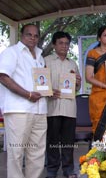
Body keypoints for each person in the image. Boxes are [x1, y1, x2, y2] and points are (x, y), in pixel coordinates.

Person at [0, 24, 47, 178]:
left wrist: (51, 91)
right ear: (21, 35)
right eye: (29, 34)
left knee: (37, 154)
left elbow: (40, 84)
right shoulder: (12, 52)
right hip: (19, 110)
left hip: (40, 110)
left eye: (35, 35)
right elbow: (3, 76)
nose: (32, 38)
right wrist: (27, 94)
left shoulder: (40, 57)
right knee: (17, 153)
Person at [44, 31, 81, 178]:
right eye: (61, 43)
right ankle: (52, 170)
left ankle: (68, 169)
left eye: (66, 43)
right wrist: (49, 91)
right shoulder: (45, 61)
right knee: (52, 140)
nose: (64, 46)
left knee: (68, 141)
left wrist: (78, 83)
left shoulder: (73, 63)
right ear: (54, 44)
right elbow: (39, 83)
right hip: (51, 108)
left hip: (69, 108)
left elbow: (77, 88)